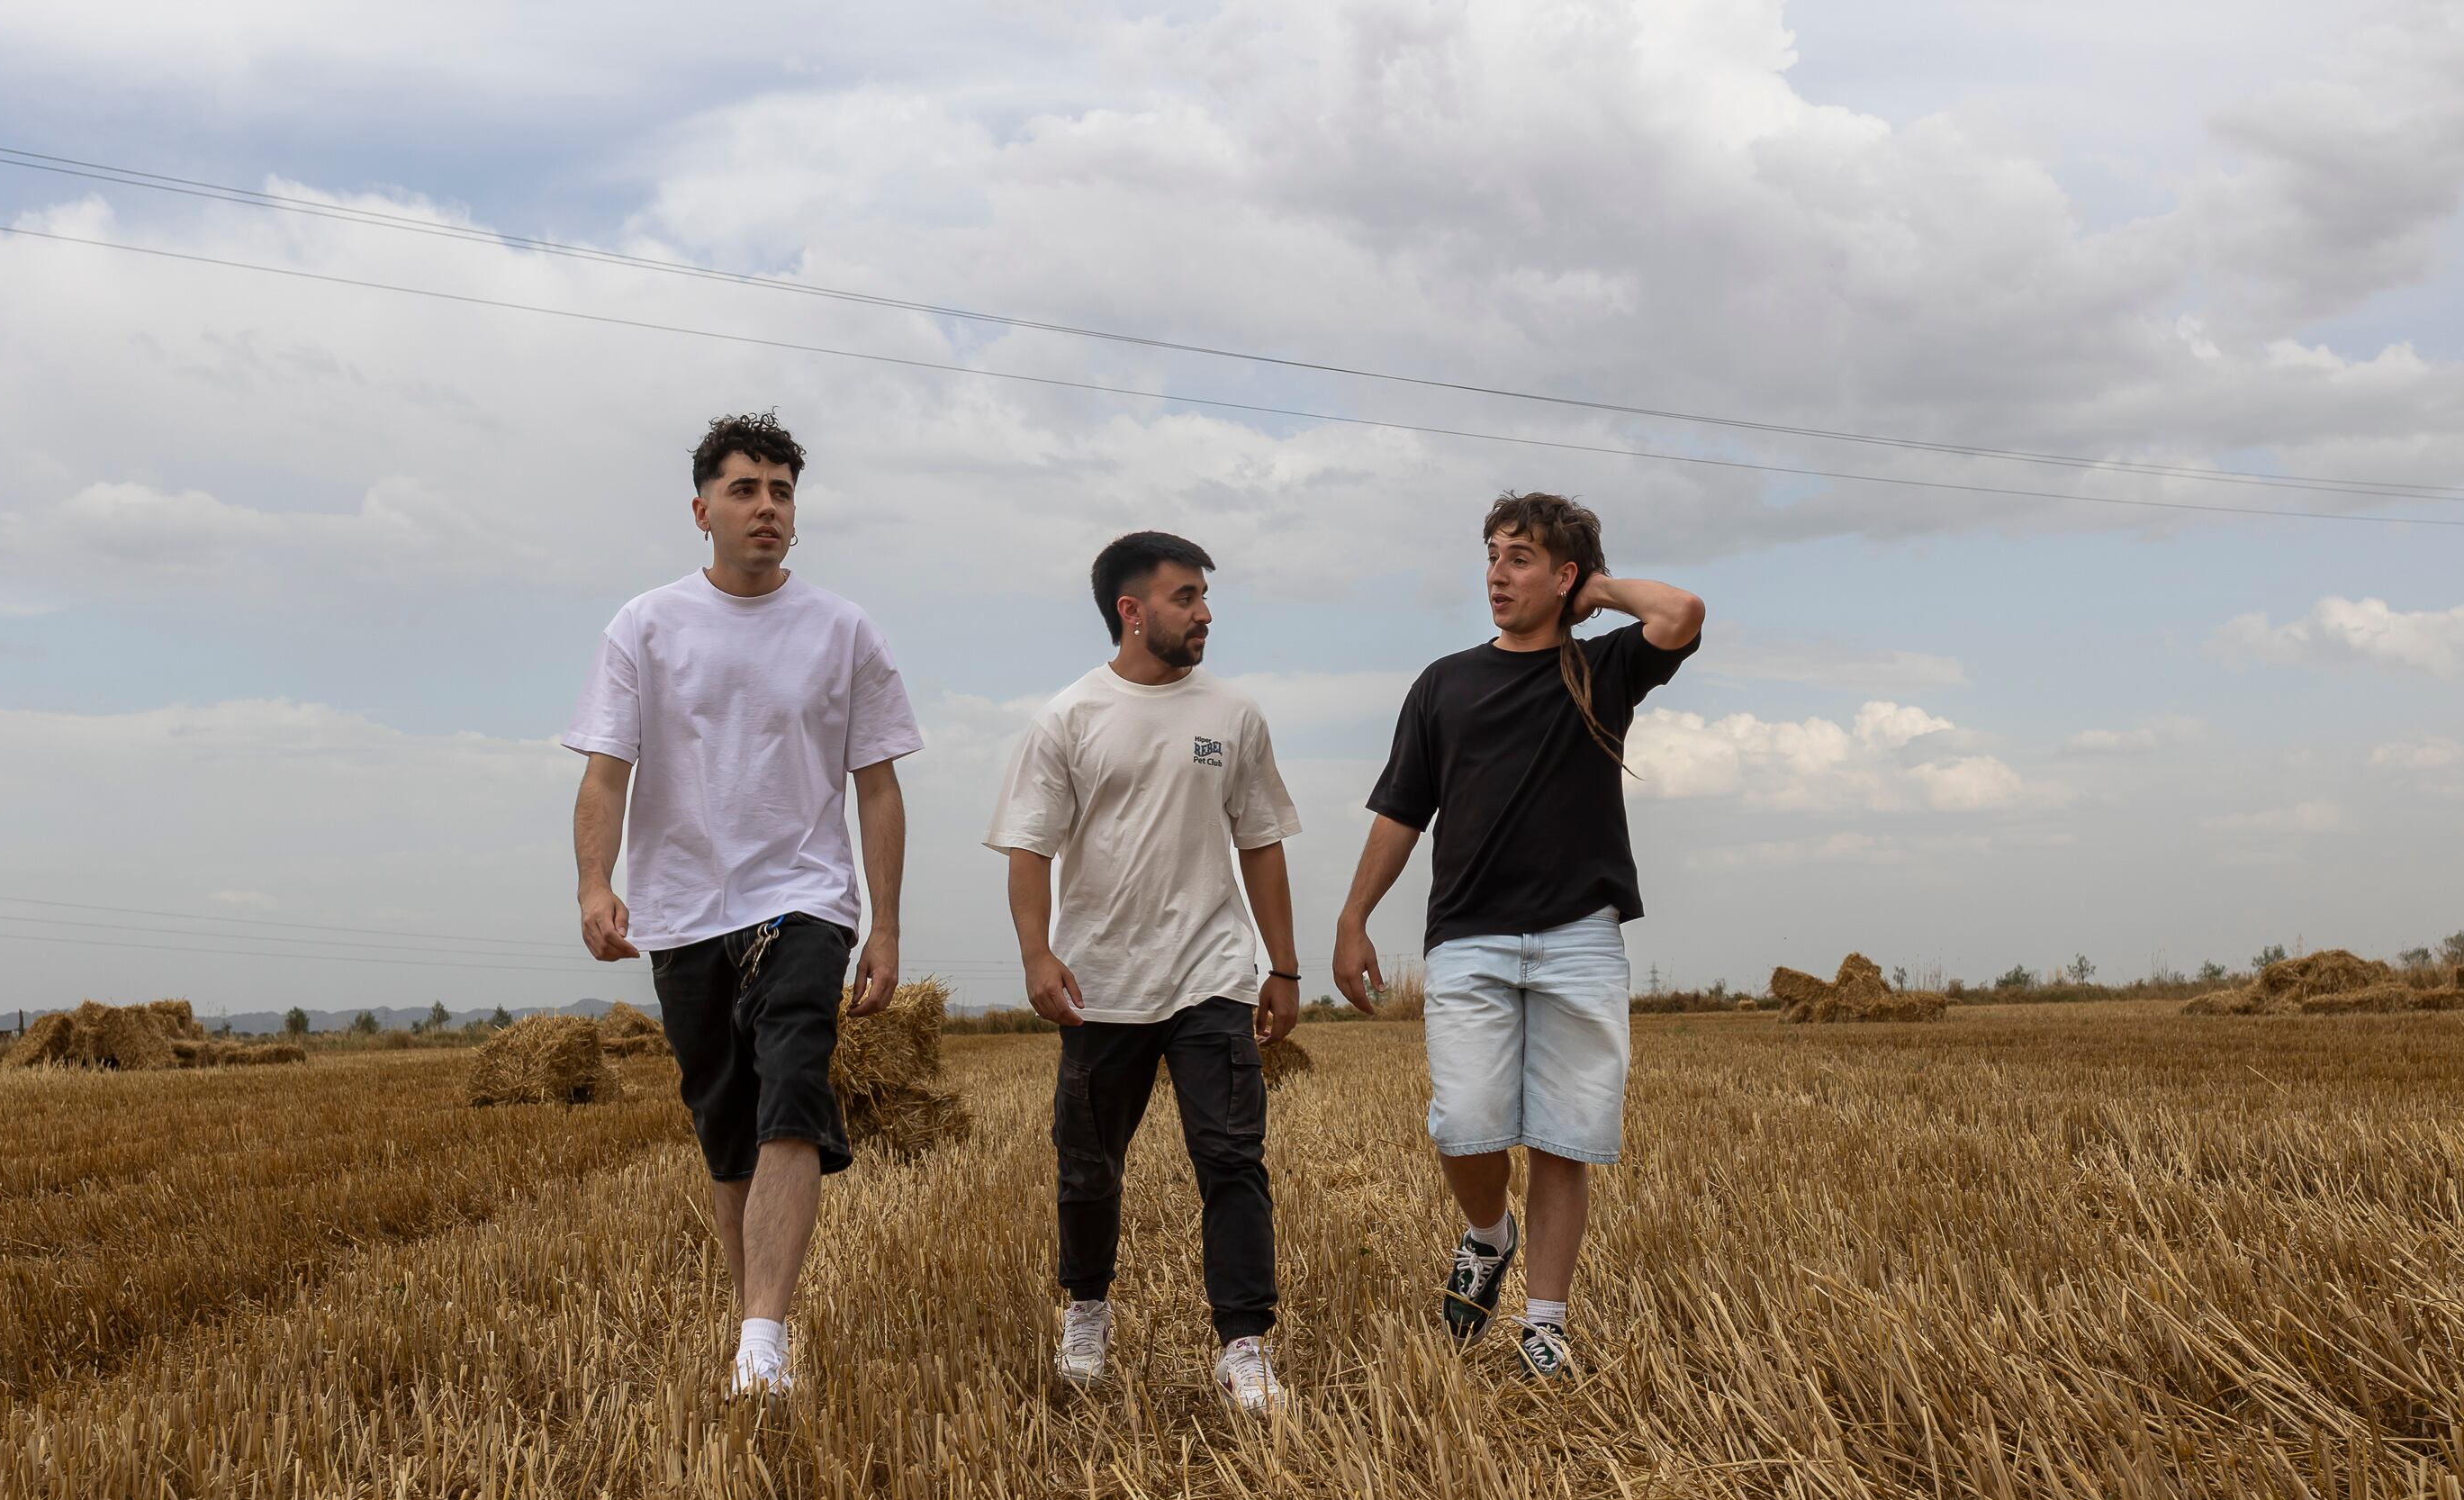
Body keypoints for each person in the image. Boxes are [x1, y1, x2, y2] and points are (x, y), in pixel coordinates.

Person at [565, 412, 922, 1398]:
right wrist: (595, 882)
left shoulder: (843, 631)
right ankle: (754, 1328)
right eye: (745, 490)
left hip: (805, 897)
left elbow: (878, 787)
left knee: (792, 1094)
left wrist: (884, 924)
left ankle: (763, 1337)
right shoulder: (644, 626)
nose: (767, 508)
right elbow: (606, 773)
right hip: (684, 911)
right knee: (727, 1132)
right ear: (702, 510)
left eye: (782, 492)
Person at [1330, 492, 1705, 1381]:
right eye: (1492, 556)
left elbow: (1681, 613)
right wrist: (1353, 919)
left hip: (1580, 936)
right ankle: (1488, 1234)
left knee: (1563, 1141)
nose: (1497, 574)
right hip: (1469, 935)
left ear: (1565, 576)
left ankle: (1545, 1325)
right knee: (1464, 1126)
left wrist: (1597, 591)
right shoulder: (1444, 684)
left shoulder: (1604, 667)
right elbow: (1401, 811)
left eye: (1521, 558)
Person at [986, 531, 1304, 1412]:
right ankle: (1087, 1310)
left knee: (1232, 1159)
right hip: (1102, 986)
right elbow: (1028, 848)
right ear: (1132, 611)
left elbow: (1261, 843)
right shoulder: (1069, 718)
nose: (1205, 614)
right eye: (1185, 597)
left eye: (1204, 596)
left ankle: (1243, 1346)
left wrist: (1282, 967)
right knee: (1087, 1166)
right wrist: (1037, 954)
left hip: (1212, 975)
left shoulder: (1234, 716)